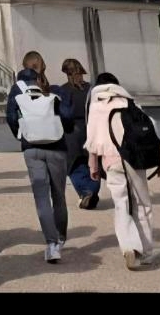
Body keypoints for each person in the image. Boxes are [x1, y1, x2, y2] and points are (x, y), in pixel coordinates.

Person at [85, 70, 160, 271]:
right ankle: (146, 252)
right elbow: (148, 135)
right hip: (135, 158)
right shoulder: (129, 103)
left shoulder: (95, 106)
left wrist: (93, 166)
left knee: (121, 204)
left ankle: (129, 246)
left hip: (110, 160)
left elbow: (92, 140)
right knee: (142, 204)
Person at [5, 49, 76, 263]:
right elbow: (68, 117)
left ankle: (51, 244)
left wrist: (22, 134)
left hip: (32, 146)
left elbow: (11, 117)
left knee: (41, 196)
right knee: (59, 195)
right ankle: (61, 237)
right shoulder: (54, 91)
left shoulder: (17, 90)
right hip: (57, 146)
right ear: (43, 67)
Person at [60, 58, 101, 209]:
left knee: (75, 166)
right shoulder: (92, 89)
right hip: (92, 129)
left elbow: (61, 114)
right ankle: (92, 190)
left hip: (71, 131)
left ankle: (86, 192)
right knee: (94, 164)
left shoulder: (63, 90)